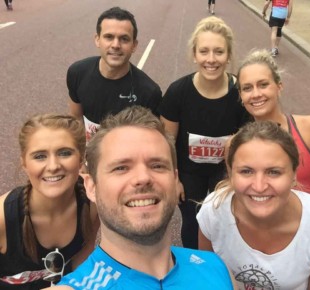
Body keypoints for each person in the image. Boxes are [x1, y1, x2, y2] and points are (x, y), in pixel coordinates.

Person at [47, 106, 236, 289]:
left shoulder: (216, 267)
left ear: (175, 179)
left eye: (157, 165)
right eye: (121, 168)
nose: (143, 178)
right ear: (91, 186)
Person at [197, 121, 310, 289]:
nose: (259, 186)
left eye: (274, 172)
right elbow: (209, 279)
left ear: (294, 175)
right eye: (246, 171)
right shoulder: (214, 210)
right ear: (231, 173)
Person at [159, 16, 249, 249]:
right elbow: (167, 140)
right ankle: (194, 269)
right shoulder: (178, 92)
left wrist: (236, 177)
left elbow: (248, 142)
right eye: (204, 51)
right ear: (194, 54)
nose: (211, 59)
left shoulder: (240, 92)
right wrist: (174, 179)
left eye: (219, 52)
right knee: (192, 223)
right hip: (189, 173)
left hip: (224, 171)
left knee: (226, 221)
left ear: (228, 55)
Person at [0, 114, 99, 289]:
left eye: (65, 153)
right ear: (24, 163)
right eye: (39, 156)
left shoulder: (91, 203)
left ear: (81, 158)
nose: (53, 166)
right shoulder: (3, 218)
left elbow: (81, 266)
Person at [236, 49, 310, 211]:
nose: (256, 94)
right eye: (247, 88)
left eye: (263, 85)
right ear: (241, 95)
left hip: (308, 231)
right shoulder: (235, 144)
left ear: (279, 86)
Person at [67, 6, 162, 141]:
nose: (116, 45)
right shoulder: (77, 72)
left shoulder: (149, 92)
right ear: (97, 39)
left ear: (134, 45)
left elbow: (148, 141)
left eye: (124, 39)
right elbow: (76, 118)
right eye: (109, 37)